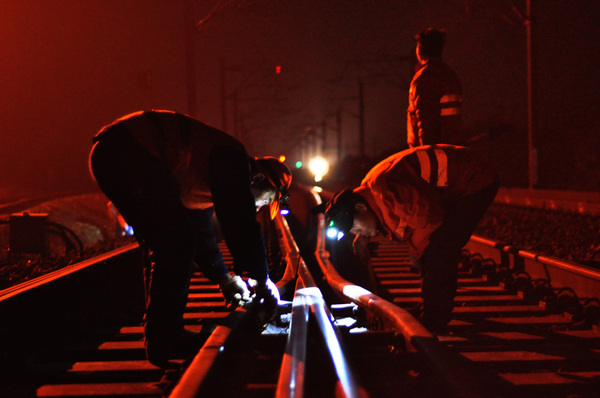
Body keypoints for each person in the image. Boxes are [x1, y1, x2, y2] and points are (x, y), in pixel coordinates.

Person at [89, 110, 291, 366]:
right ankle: (164, 336)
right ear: (258, 178)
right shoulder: (233, 160)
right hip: (128, 151)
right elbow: (239, 221)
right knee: (174, 242)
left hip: (117, 154)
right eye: (266, 199)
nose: (261, 207)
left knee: (169, 241)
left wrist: (226, 280)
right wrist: (261, 279)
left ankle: (160, 335)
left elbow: (201, 234)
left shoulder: (206, 178)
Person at [324, 144, 498, 333]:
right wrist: (364, 237)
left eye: (356, 228)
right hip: (457, 182)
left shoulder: (387, 190)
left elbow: (431, 219)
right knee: (432, 250)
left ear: (361, 208)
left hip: (473, 179)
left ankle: (434, 319)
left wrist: (417, 253)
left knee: (439, 248)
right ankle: (430, 308)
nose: (358, 232)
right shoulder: (374, 192)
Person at [407, 28, 463, 148]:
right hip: (453, 148)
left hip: (433, 153)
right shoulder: (451, 75)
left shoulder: (424, 78)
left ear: (421, 50)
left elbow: (426, 121)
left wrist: (425, 153)